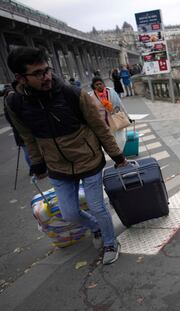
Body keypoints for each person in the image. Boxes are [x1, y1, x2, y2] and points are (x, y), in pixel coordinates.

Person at [5, 47, 128, 265]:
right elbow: (28, 137)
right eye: (38, 73)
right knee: (69, 213)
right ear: (20, 77)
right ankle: (96, 227)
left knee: (97, 206)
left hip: (87, 159)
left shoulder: (73, 94)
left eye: (47, 70)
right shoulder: (15, 103)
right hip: (57, 166)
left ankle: (110, 242)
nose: (47, 77)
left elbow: (99, 127)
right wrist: (37, 164)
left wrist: (118, 156)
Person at [90, 76, 128, 151]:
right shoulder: (92, 97)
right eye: (96, 85)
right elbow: (92, 111)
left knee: (122, 139)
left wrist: (127, 116)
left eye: (100, 84)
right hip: (105, 122)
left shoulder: (111, 91)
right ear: (94, 86)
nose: (99, 86)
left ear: (103, 84)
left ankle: (120, 153)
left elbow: (120, 104)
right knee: (112, 141)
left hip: (116, 118)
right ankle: (119, 157)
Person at [2, 82, 32, 174]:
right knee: (29, 150)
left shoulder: (6, 107)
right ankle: (34, 168)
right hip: (21, 131)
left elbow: (10, 122)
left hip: (17, 132)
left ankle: (32, 169)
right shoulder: (16, 102)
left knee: (27, 150)